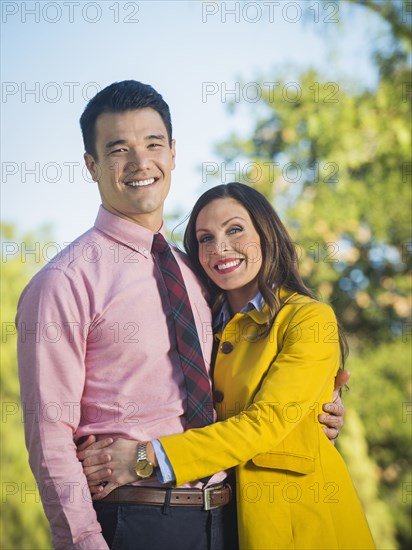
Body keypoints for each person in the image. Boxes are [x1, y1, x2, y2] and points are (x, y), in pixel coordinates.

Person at [17, 81, 347, 550]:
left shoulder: (199, 275)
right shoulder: (64, 281)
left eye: (153, 144)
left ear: (173, 153)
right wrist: (83, 542)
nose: (139, 162)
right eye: (118, 149)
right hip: (135, 518)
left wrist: (315, 412)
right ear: (92, 165)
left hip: (233, 517)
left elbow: (243, 395)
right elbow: (49, 434)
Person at [79, 183, 375, 550]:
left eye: (235, 230)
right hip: (217, 523)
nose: (219, 248)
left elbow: (265, 423)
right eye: (205, 238)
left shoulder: (308, 319)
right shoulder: (202, 326)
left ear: (266, 234)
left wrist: (144, 458)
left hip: (300, 524)